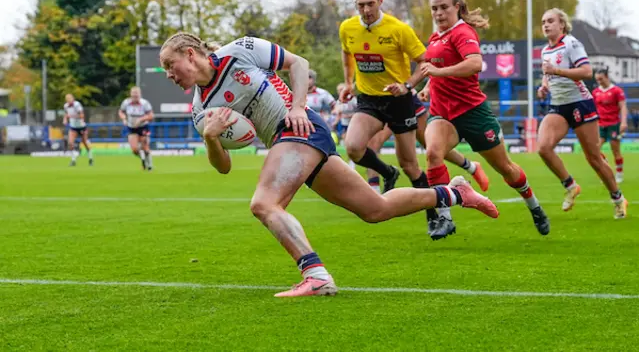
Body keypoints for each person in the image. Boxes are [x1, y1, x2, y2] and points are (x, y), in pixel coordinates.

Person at [159, 32, 499, 297]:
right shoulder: (201, 109)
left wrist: (296, 106)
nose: (168, 75)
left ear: (190, 54)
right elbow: (223, 167)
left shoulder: (240, 51)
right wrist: (210, 138)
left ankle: (315, 275)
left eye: (169, 66)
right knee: (375, 209)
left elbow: (299, 63)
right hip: (289, 141)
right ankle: (454, 194)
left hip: (298, 127)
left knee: (264, 203)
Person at [413, 0, 549, 239]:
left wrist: (437, 73)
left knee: (506, 169)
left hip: (473, 113)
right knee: (433, 153)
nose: (439, 13)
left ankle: (534, 205)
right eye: (434, 8)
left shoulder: (463, 32)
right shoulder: (435, 38)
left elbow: (475, 63)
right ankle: (444, 218)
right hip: (443, 112)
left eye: (443, 7)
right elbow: (436, 68)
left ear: (456, 7)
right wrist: (429, 87)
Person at [339, 0, 440, 234]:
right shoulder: (347, 27)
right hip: (369, 100)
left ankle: (434, 215)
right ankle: (387, 173)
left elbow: (424, 62)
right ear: (356, 5)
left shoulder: (398, 29)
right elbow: (346, 53)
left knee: (410, 164)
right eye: (360, 5)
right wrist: (348, 83)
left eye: (370, 4)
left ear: (380, 2)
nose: (366, 10)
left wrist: (407, 85)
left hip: (399, 102)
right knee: (352, 147)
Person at [537, 8, 627, 219]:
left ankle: (618, 198)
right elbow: (547, 75)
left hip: (580, 104)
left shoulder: (572, 43)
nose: (546, 25)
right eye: (543, 22)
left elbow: (587, 72)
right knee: (543, 148)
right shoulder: (544, 51)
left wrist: (557, 71)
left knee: (594, 158)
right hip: (558, 106)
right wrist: (544, 87)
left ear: (562, 24)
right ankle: (570, 186)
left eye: (550, 21)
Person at [365, 85, 490, 198]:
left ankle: (471, 167)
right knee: (372, 144)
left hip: (404, 101)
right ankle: (374, 192)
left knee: (432, 146)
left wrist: (418, 86)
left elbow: (424, 65)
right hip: (377, 100)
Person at [593, 68, 627, 183]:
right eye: (597, 80)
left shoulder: (616, 90)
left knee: (615, 150)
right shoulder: (596, 92)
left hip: (613, 124)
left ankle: (619, 173)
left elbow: (623, 107)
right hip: (600, 124)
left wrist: (624, 122)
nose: (599, 82)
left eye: (601, 79)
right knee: (595, 150)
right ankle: (606, 171)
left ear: (607, 77)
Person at [119, 86, 155, 171]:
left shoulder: (145, 103)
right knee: (134, 149)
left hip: (143, 126)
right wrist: (124, 118)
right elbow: (121, 111)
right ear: (130, 94)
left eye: (137, 95)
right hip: (131, 127)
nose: (135, 97)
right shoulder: (126, 103)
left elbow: (151, 116)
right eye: (133, 95)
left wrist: (141, 119)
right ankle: (143, 159)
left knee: (145, 146)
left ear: (140, 95)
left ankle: (150, 165)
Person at [63, 94, 93, 166]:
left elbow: (81, 115)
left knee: (84, 143)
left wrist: (71, 116)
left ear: (73, 98)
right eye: (67, 99)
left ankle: (90, 158)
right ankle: (73, 160)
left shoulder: (77, 105)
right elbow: (66, 114)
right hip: (73, 127)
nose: (69, 100)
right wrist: (65, 119)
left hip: (81, 126)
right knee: (70, 143)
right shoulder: (65, 106)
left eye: (70, 98)